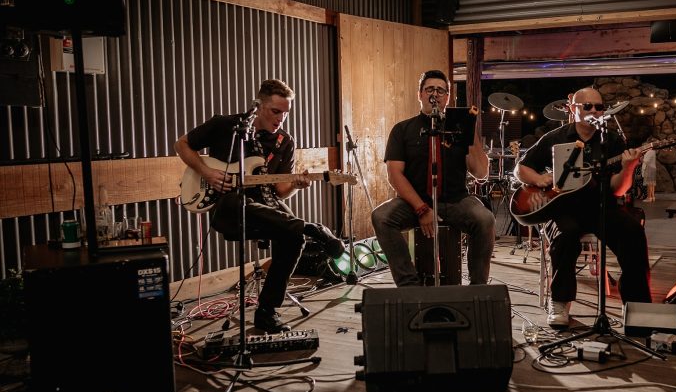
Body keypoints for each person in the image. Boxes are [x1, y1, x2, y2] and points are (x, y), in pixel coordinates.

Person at [174, 79, 345, 333]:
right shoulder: (227, 126)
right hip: (229, 208)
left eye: (285, 113)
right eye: (275, 112)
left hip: (266, 209)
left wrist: (296, 185)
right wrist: (207, 172)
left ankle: (267, 311)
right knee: (237, 201)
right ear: (258, 105)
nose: (281, 119)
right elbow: (181, 145)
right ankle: (313, 229)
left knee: (294, 237)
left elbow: (279, 192)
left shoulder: (284, 141)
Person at [514, 86, 652, 328]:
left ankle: (636, 306)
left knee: (633, 232)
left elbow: (618, 189)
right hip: (563, 208)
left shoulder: (611, 141)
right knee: (566, 236)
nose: (594, 111)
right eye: (587, 106)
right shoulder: (556, 138)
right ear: (573, 109)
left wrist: (629, 167)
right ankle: (560, 303)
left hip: (601, 206)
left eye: (599, 107)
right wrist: (538, 180)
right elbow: (521, 168)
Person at [371, 69, 495, 286]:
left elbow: (481, 173)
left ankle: (478, 289)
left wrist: (470, 132)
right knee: (381, 217)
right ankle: (409, 285)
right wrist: (421, 208)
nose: (435, 94)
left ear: (448, 97)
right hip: (415, 201)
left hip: (456, 200)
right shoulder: (403, 130)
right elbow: (394, 174)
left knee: (485, 219)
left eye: (440, 90)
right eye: (429, 89)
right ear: (419, 94)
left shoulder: (459, 128)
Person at [641, 137, 658, 202]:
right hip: (653, 168)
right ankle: (653, 197)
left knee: (649, 183)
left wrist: (642, 159)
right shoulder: (653, 151)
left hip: (649, 168)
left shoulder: (649, 152)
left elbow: (646, 161)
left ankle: (649, 197)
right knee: (652, 183)